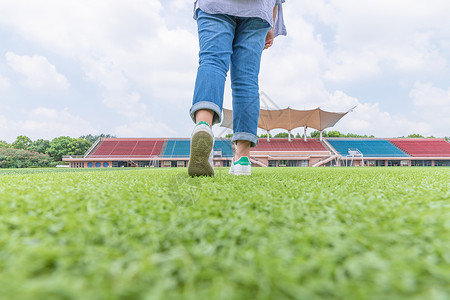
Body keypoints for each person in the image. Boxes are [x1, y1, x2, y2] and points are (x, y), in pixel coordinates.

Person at [188, 0, 287, 177]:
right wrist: (271, 24)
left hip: (215, 5)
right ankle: (242, 158)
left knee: (212, 61)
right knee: (247, 80)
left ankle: (203, 126)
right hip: (258, 10)